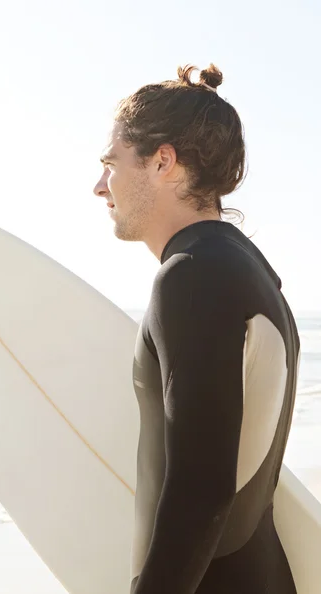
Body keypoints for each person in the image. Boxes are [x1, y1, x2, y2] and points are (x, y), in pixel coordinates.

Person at [93, 64, 300, 594]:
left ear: (162, 162)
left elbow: (200, 492)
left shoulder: (192, 277)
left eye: (111, 164)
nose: (99, 187)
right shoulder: (248, 268)